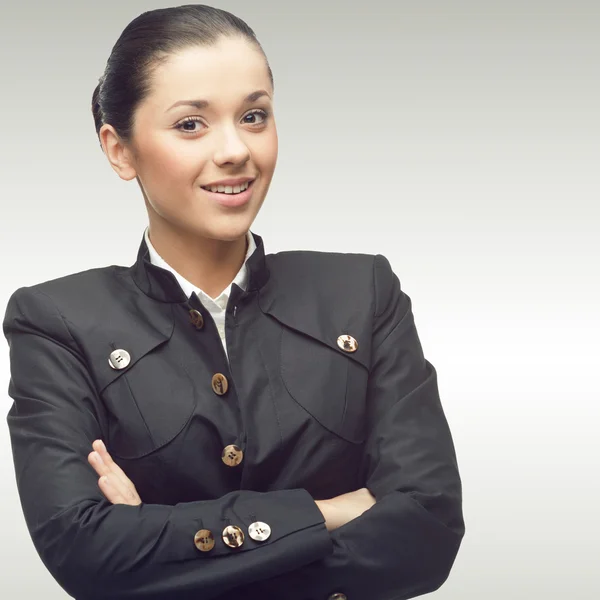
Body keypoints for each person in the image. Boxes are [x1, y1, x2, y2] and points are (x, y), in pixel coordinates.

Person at [2, 4, 464, 600]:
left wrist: (162, 549)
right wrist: (328, 512)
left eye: (254, 116)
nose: (234, 151)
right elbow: (83, 551)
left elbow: (428, 532)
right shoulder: (57, 320)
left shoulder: (363, 293)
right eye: (191, 125)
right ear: (119, 150)